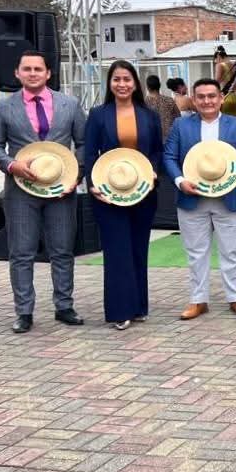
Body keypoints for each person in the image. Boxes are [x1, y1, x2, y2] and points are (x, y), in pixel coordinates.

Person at [0, 51, 88, 334]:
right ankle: (24, 312)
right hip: (21, 191)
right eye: (27, 69)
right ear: (17, 73)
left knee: (62, 250)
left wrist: (76, 176)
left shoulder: (70, 104)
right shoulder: (4, 107)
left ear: (48, 73)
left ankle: (64, 306)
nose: (33, 73)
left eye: (38, 69)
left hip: (60, 190)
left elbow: (83, 143)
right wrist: (11, 165)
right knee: (21, 252)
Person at [163, 78, 236, 319]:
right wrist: (180, 181)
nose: (207, 101)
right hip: (192, 197)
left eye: (211, 96)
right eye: (201, 97)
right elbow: (169, 156)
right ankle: (198, 300)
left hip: (230, 197)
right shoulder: (180, 125)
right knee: (196, 252)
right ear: (193, 100)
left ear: (220, 98)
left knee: (232, 251)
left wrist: (228, 162)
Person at [84, 61, 164, 330]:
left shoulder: (149, 115)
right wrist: (91, 184)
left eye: (127, 79)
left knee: (138, 249)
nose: (122, 84)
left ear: (135, 83)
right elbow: (89, 153)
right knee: (117, 252)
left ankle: (139, 306)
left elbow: (157, 150)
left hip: (142, 192)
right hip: (108, 194)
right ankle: (120, 310)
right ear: (109, 83)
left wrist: (153, 171)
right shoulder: (98, 115)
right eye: (116, 79)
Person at [145, 74, 180, 139]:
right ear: (159, 85)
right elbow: (178, 117)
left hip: (151, 139)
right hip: (169, 138)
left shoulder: (143, 103)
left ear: (147, 87)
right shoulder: (169, 100)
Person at [214, 45, 236, 116]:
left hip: (226, 97)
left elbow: (216, 82)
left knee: (224, 120)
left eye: (216, 59)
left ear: (218, 56)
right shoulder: (235, 65)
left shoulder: (220, 65)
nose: (216, 61)